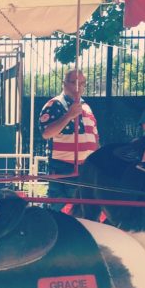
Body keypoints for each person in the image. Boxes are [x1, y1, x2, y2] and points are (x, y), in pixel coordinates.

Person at [39, 69, 99, 210]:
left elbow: (95, 137)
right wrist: (68, 116)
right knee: (56, 203)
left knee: (85, 206)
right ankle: (40, 225)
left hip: (86, 167)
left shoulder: (86, 107)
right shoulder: (54, 105)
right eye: (75, 83)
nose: (79, 87)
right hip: (63, 166)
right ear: (64, 84)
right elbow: (46, 133)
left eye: (83, 83)